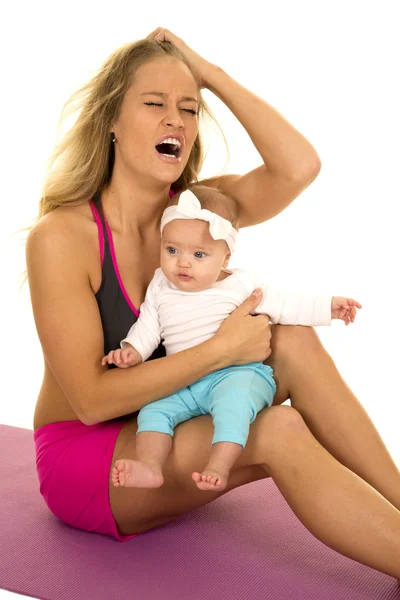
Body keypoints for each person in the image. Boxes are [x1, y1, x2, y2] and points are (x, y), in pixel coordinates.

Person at [26, 27, 400, 578]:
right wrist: (222, 350)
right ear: (110, 121)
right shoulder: (62, 237)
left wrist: (208, 73)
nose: (175, 119)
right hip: (88, 461)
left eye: (189, 108)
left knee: (290, 335)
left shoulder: (199, 214)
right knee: (277, 428)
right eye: (154, 104)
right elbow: (90, 402)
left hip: (172, 421)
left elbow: (299, 167)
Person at [102, 185, 362, 493]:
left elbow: (285, 305)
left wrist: (328, 306)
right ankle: (150, 465)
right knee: (153, 411)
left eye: (199, 254)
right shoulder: (161, 284)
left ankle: (219, 465)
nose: (182, 263)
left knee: (233, 406)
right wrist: (131, 351)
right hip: (183, 380)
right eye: (172, 250)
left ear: (225, 258)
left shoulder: (239, 284)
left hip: (235, 374)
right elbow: (148, 325)